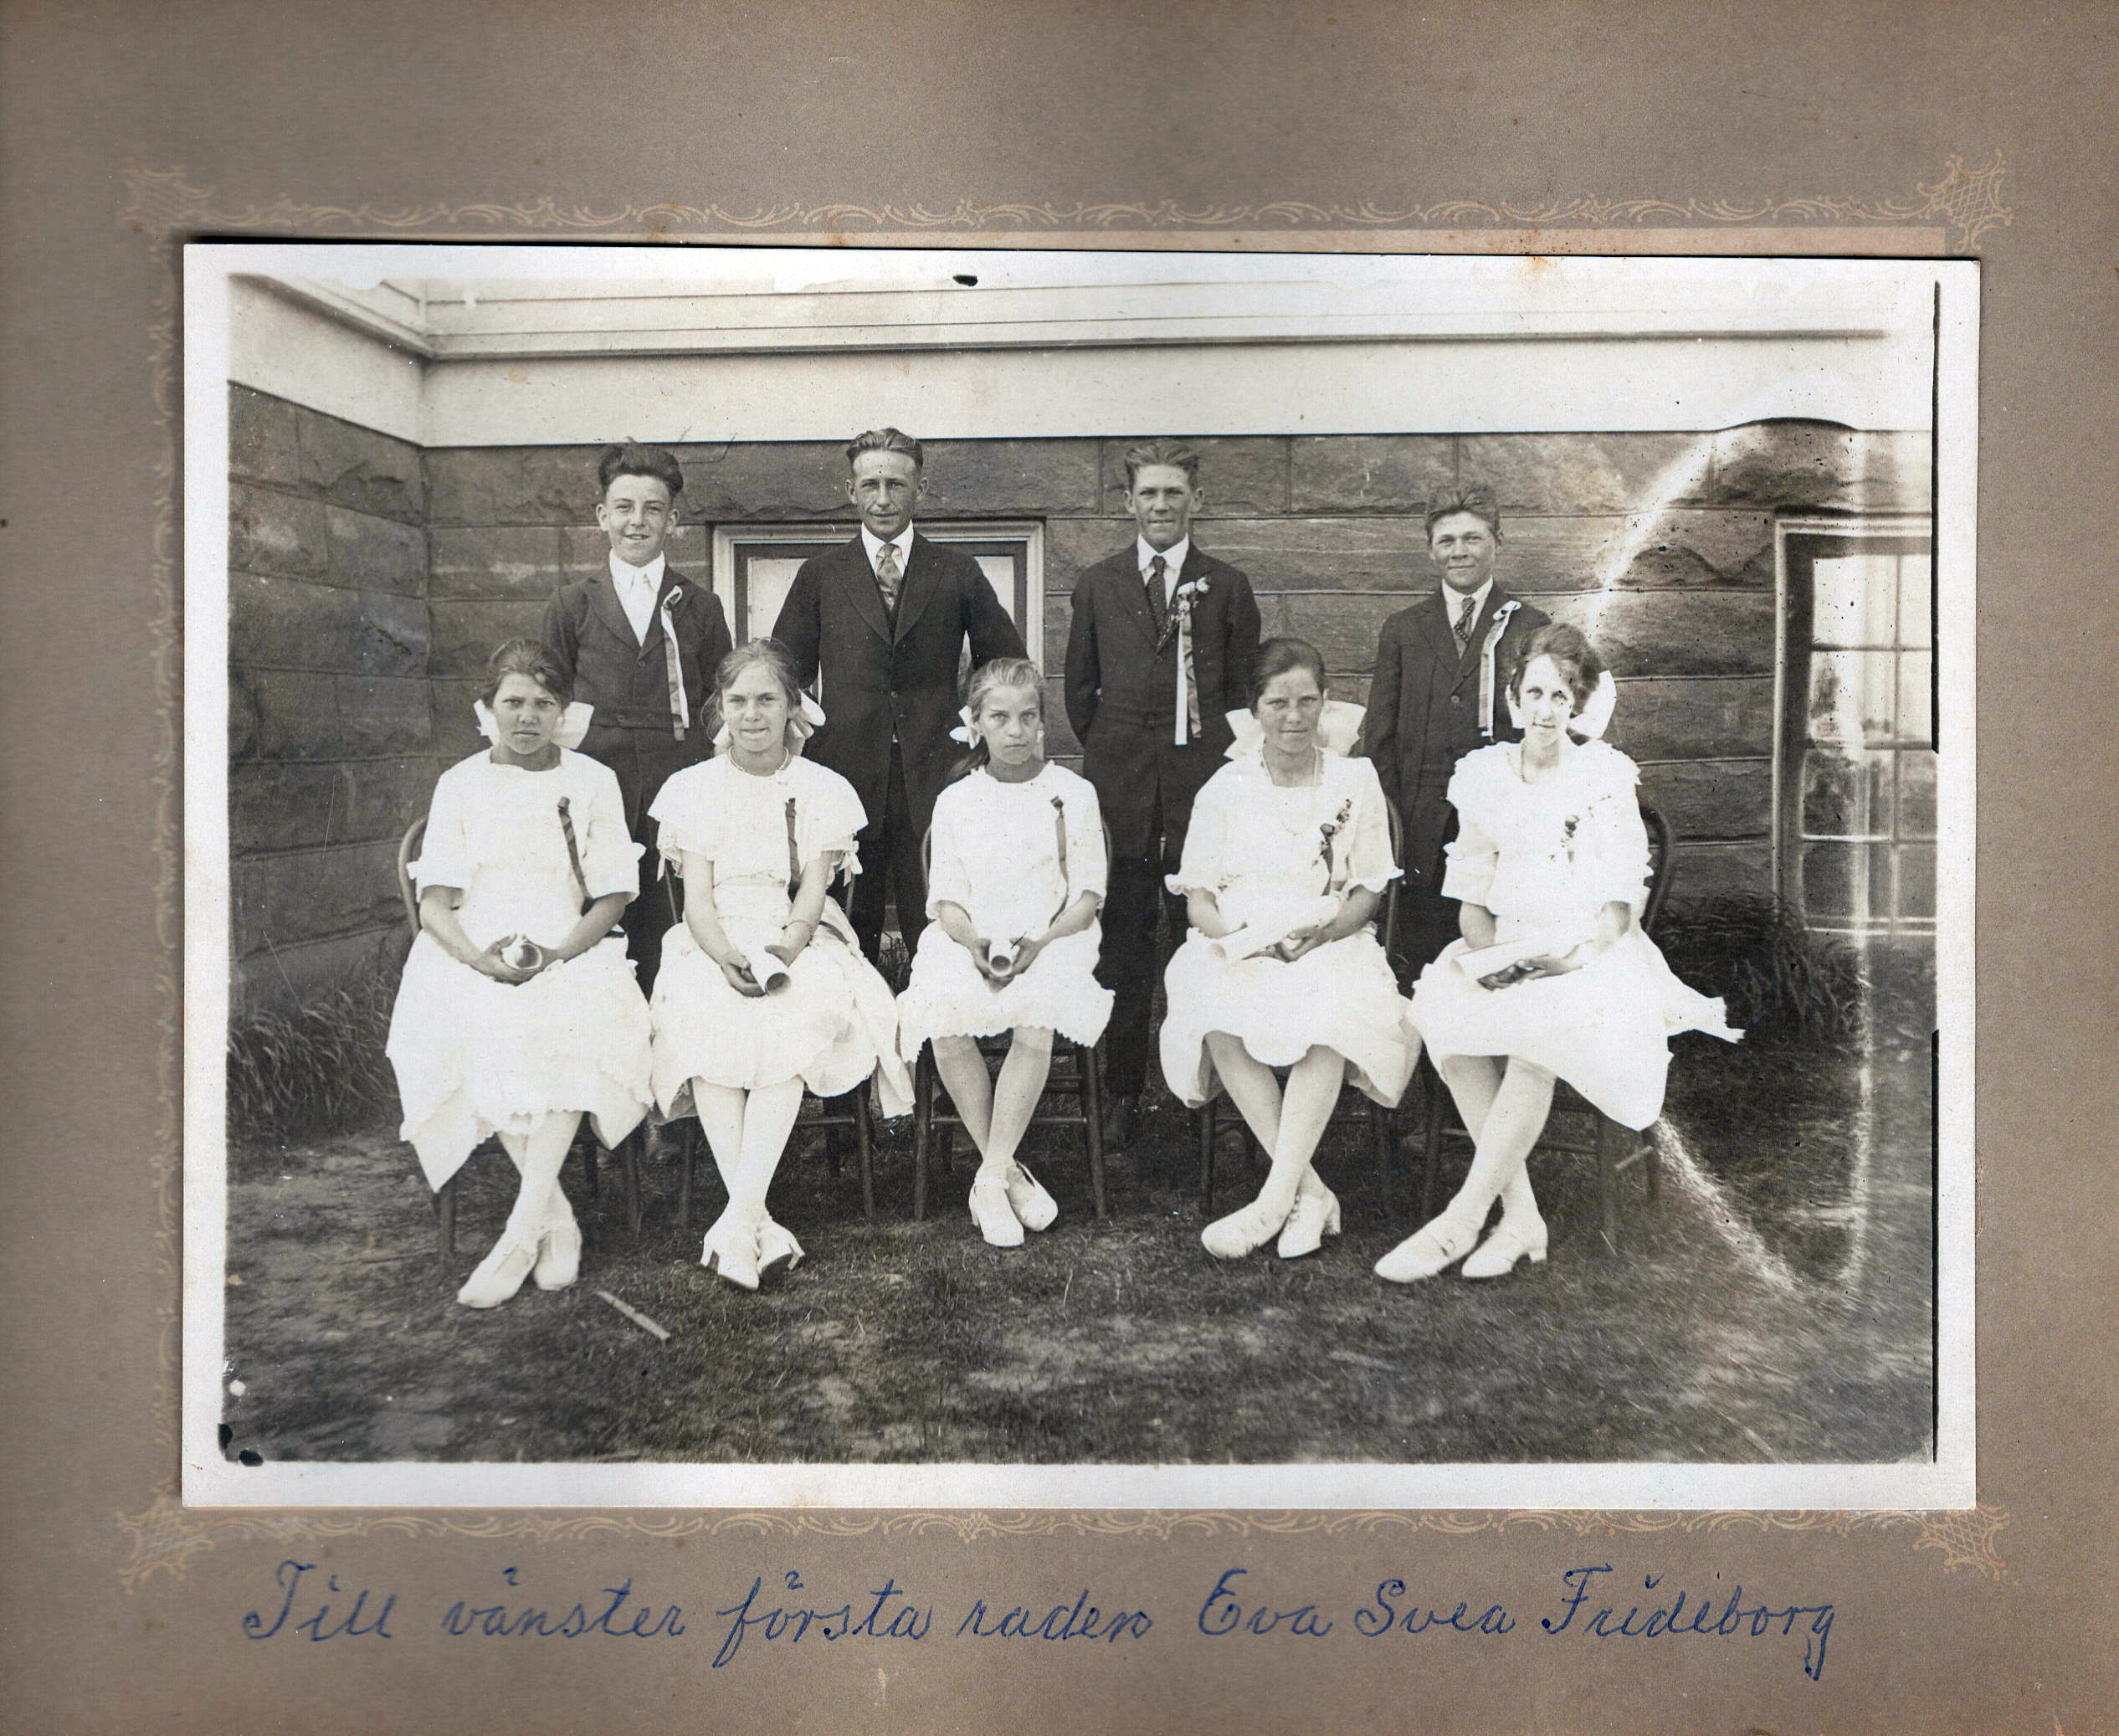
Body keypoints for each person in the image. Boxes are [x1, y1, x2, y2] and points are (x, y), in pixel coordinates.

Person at [1378, 624, 1742, 1283]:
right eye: (1535, 693)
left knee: (1536, 1037)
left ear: (1577, 706)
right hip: (1508, 945)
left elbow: (1615, 909)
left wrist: (1560, 964)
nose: (1545, 710)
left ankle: (1461, 1220)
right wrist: (1493, 962)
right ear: (1514, 699)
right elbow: (1472, 898)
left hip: (1591, 957)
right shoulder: (1485, 775)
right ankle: (1520, 1217)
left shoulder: (1602, 776)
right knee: (1451, 1031)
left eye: (1560, 696)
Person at [385, 639, 655, 1309]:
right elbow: (435, 903)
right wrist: (477, 959)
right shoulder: (461, 783)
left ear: (562, 710)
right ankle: (554, 1219)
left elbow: (614, 895)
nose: (527, 716)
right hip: (475, 940)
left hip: (571, 940)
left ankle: (517, 1233)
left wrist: (562, 954)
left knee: (572, 1018)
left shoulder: (592, 779)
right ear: (487, 709)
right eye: (513, 702)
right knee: (476, 1019)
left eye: (542, 702)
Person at [646, 639, 914, 1292]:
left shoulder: (823, 789)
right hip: (712, 938)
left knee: (794, 1013)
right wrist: (726, 956)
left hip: (801, 934)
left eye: (768, 699)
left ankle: (736, 1225)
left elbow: (813, 895)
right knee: (703, 1012)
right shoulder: (693, 788)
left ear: (793, 707)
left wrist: (780, 954)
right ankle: (756, 1220)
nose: (753, 714)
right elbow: (699, 903)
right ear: (720, 708)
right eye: (738, 700)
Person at [1159, 638, 1419, 1261]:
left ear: (1326, 704)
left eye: (1308, 701)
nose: (1295, 717)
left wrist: (1324, 934)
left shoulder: (1356, 778)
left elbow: (1367, 889)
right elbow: (1198, 898)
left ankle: (1272, 1203)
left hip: (1329, 938)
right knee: (1212, 1010)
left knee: (1329, 1020)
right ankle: (1308, 1191)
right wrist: (1239, 941)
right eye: (1279, 704)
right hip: (1244, 941)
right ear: (1256, 712)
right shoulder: (1225, 786)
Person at [1063, 439, 1262, 1150]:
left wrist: (1202, 763)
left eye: (1174, 494)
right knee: (1122, 939)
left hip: (1200, 789)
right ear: (1129, 503)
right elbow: (1078, 693)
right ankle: (1121, 1092)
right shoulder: (1098, 582)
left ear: (1195, 502)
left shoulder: (1226, 586)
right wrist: (1123, 749)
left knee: (1199, 932)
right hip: (1119, 787)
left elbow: (1244, 698)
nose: (1161, 506)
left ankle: (1205, 1090)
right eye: (1148, 494)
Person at [772, 429, 1027, 965]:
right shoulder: (820, 575)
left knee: (933, 919)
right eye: (870, 485)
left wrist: (973, 728)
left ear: (921, 490)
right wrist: (807, 737)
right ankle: (859, 1047)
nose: (882, 499)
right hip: (845, 773)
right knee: (845, 924)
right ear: (851, 490)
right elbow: (780, 673)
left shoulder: (956, 572)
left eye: (896, 484)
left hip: (935, 770)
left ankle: (936, 1046)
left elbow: (1006, 666)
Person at [896, 658, 1113, 1247]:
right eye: (1000, 717)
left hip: (1055, 936)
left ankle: (988, 1180)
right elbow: (946, 901)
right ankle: (1008, 1172)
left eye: (1028, 717)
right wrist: (973, 945)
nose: (1016, 730)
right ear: (976, 723)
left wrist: (1037, 943)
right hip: (969, 936)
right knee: (944, 1014)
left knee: (1035, 1017)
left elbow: (1088, 896)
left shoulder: (1074, 795)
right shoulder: (958, 800)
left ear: (1042, 721)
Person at [540, 440, 734, 991]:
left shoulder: (700, 605)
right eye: (624, 506)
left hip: (679, 783)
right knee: (599, 908)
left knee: (671, 917)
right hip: (597, 784)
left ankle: (672, 1052)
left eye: (652, 508)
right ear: (603, 515)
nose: (637, 521)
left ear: (673, 521)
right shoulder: (573, 604)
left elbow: (719, 700)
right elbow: (547, 698)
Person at [1357, 482, 1547, 974]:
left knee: (1492, 947)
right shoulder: (1403, 628)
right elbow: (1379, 731)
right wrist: (1392, 820)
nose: (1458, 551)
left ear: (1497, 543)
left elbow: (1546, 729)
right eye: (1446, 541)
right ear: (1430, 550)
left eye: (1472, 538)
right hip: (1421, 820)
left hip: (1499, 819)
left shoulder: (1529, 625)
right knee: (1418, 952)